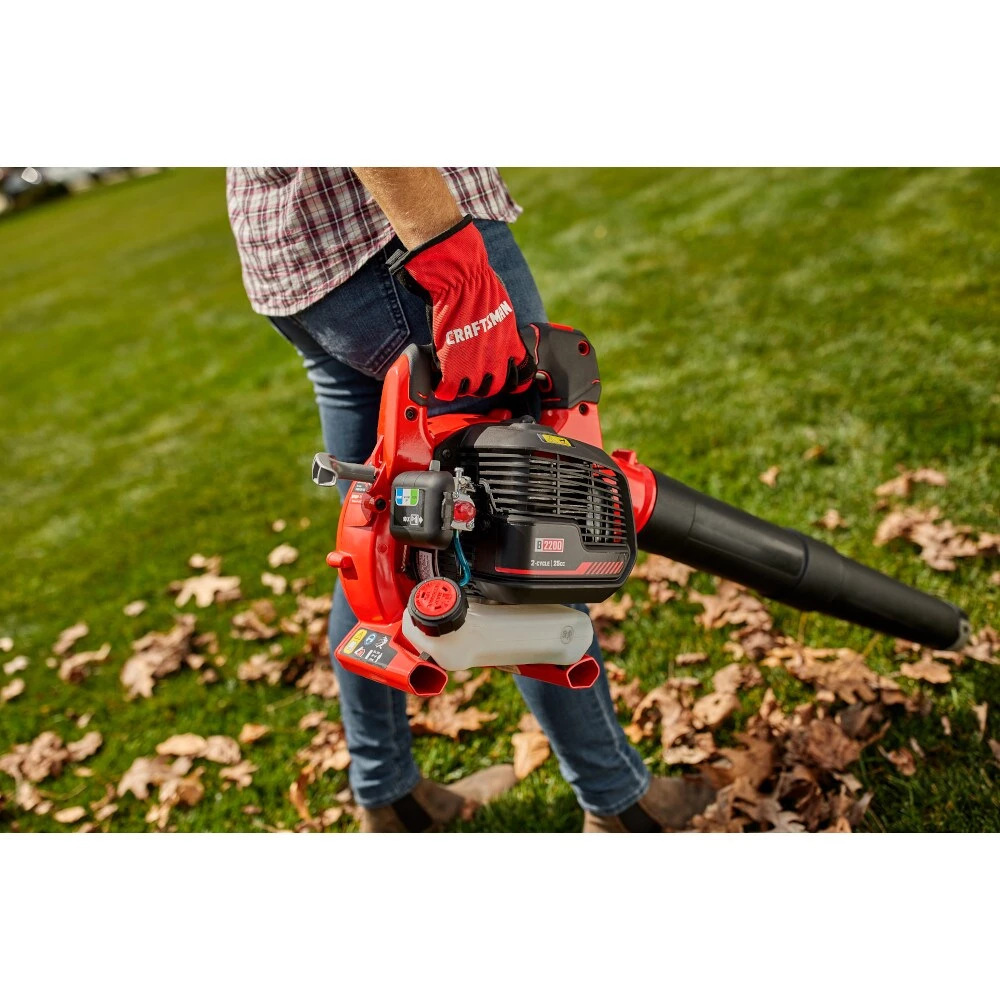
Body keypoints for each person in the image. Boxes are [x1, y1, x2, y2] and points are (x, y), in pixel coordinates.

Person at [226, 167, 714, 832]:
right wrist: (454, 263)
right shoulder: (430, 247)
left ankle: (390, 795)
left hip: (298, 259)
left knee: (377, 540)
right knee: (535, 518)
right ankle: (619, 803)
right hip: (397, 234)